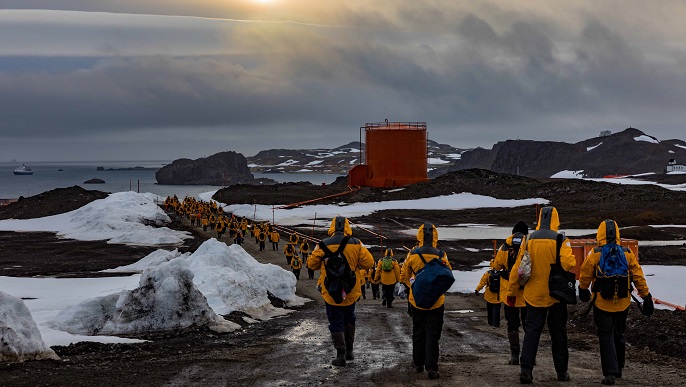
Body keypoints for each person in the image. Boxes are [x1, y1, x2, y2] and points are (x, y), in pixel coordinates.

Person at [506, 206, 576, 384]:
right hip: (556, 295)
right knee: (558, 333)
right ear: (555, 220)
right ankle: (561, 371)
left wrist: (512, 292)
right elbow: (568, 264)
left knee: (532, 332)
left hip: (533, 295)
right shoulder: (561, 239)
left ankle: (526, 370)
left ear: (539, 220)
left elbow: (518, 269)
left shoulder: (528, 239)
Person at [578, 219, 652, 385]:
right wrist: (646, 296)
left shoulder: (595, 252)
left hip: (601, 302)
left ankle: (610, 372)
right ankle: (619, 368)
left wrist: (583, 289)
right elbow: (638, 276)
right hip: (623, 302)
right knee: (619, 334)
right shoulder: (627, 252)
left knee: (606, 335)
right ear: (617, 233)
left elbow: (585, 273)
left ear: (600, 234)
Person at [307, 217, 374, 367]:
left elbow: (311, 265)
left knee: (335, 321)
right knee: (349, 318)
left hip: (330, 291)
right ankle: (350, 350)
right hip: (350, 289)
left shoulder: (322, 244)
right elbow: (369, 263)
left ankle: (340, 354)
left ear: (331, 228)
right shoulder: (357, 243)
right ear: (347, 228)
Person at [400, 223, 452, 379]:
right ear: (435, 236)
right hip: (436, 301)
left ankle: (418, 363)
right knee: (433, 334)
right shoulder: (441, 255)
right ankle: (432, 367)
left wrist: (413, 287)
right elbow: (447, 275)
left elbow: (403, 276)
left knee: (418, 332)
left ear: (419, 235)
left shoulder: (412, 254)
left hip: (417, 300)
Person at [493, 221, 529, 365]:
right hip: (527, 292)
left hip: (510, 292)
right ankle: (528, 354)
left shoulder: (505, 246)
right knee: (529, 325)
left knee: (512, 324)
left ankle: (515, 355)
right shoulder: (529, 244)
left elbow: (496, 265)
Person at [475, 260, 502, 327]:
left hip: (489, 295)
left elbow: (482, 283)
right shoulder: (502, 274)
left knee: (490, 309)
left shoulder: (488, 273)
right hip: (498, 295)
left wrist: (477, 290)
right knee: (497, 310)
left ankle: (490, 322)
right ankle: (496, 323)